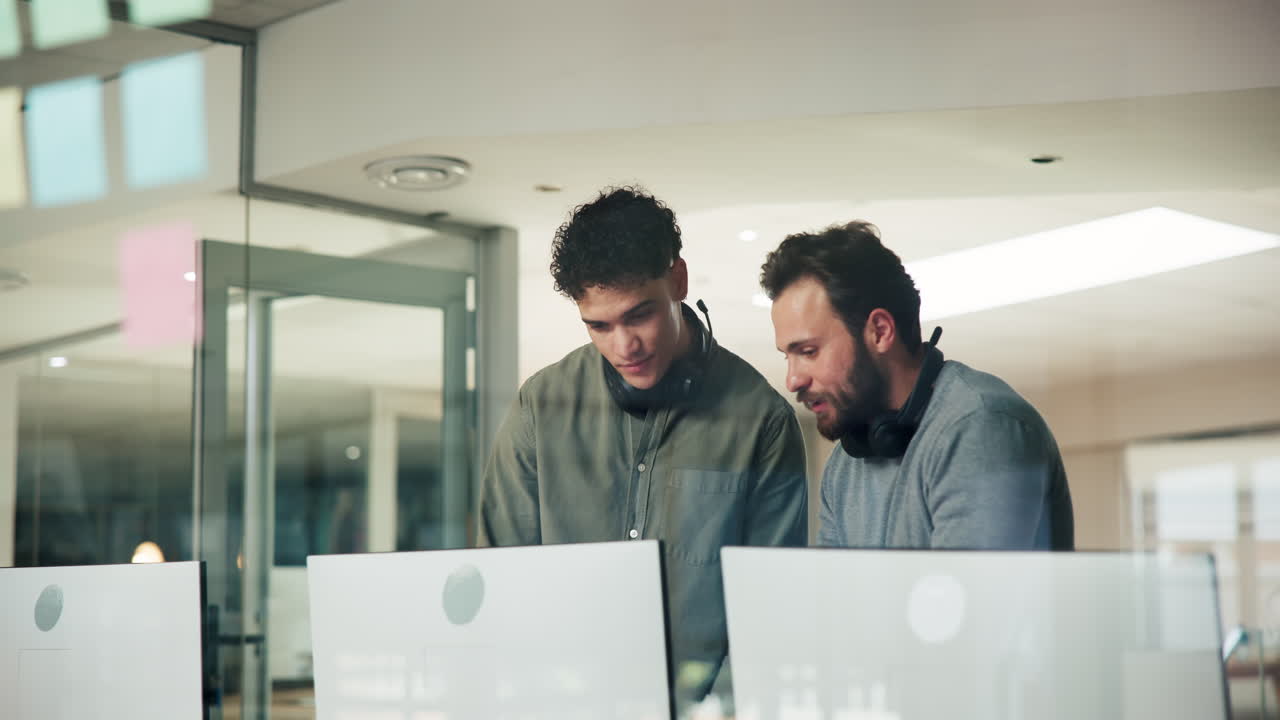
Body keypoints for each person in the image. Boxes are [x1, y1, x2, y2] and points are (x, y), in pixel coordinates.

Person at [479, 186, 809, 711]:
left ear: (677, 280)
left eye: (639, 315)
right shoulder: (541, 406)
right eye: (599, 326)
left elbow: (767, 615)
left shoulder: (761, 422)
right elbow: (500, 582)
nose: (623, 346)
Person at [760, 221, 1073, 550]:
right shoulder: (847, 460)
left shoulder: (980, 427)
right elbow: (833, 596)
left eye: (808, 352)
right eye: (787, 357)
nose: (792, 380)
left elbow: (968, 598)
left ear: (880, 331)